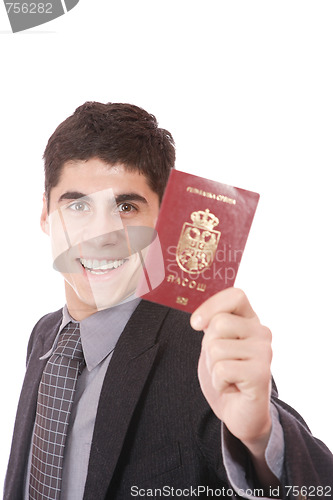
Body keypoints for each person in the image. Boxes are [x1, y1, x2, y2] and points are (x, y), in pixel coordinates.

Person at [4, 102, 333, 500]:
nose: (101, 234)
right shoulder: (44, 335)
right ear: (45, 214)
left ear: (164, 220)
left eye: (126, 207)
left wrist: (261, 438)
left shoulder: (200, 346)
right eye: (77, 205)